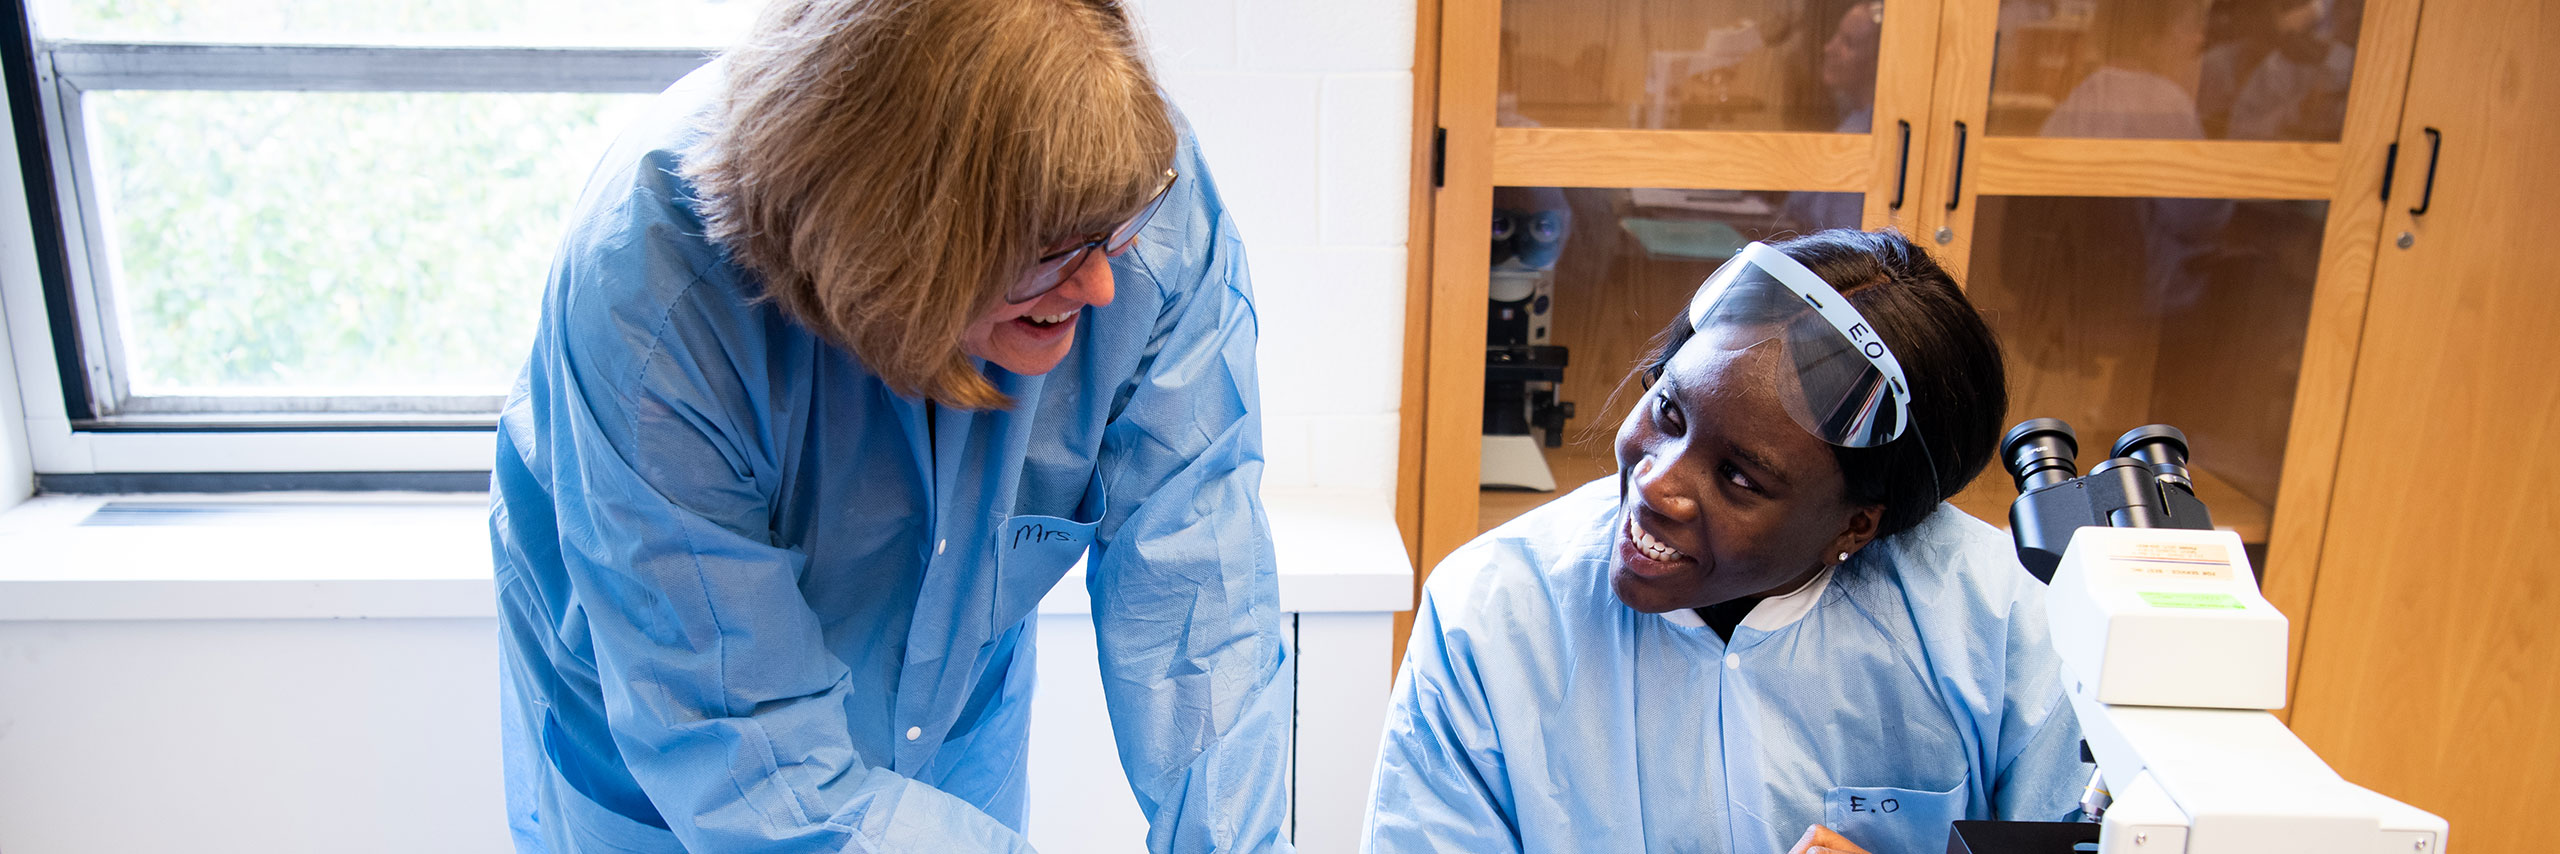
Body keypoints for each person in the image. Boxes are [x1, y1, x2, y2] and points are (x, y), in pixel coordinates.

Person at [490, 1, 1292, 852]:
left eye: (1110, 237)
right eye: (1051, 251)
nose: (1099, 287)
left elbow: (1201, 598)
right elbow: (746, 757)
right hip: (680, 757)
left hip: (948, 726)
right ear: (900, 233)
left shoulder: (1135, 203)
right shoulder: (656, 301)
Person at [1362, 230, 2088, 854]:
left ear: (1856, 524)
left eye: (1740, 478)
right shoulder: (1492, 615)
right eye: (1669, 411)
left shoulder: (2003, 622)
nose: (1656, 487)